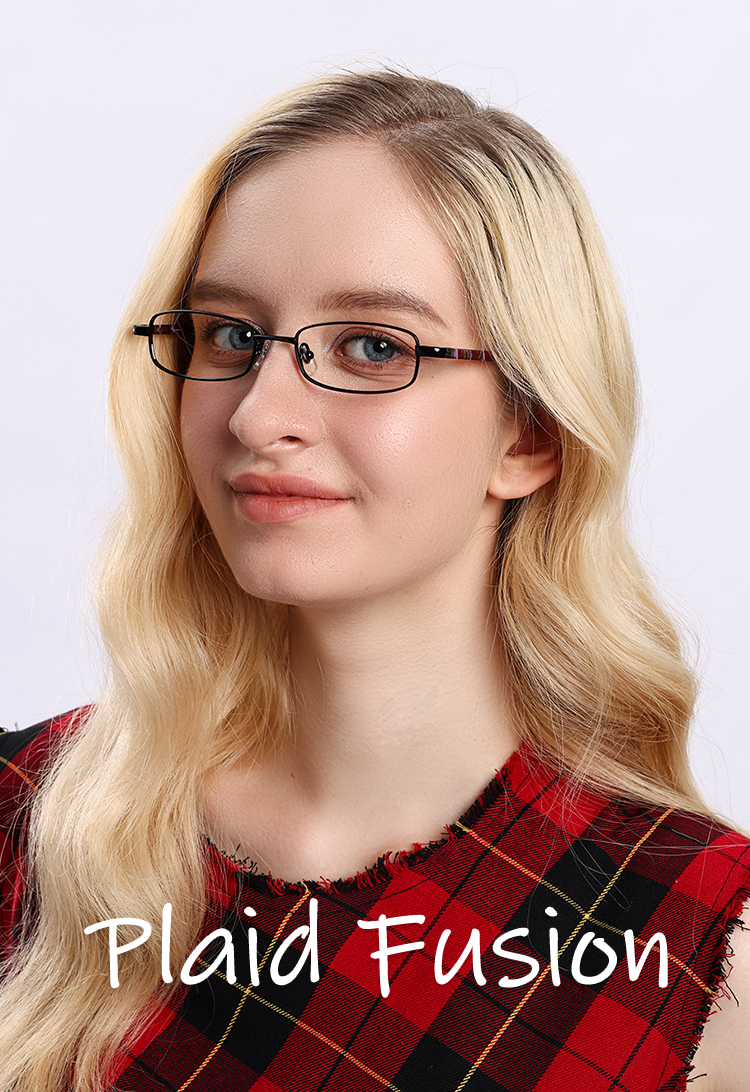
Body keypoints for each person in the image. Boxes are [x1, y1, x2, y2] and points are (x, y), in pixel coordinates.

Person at [0, 69, 748, 1092]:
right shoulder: (27, 820)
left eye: (369, 347)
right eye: (230, 335)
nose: (259, 414)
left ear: (530, 433)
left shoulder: (698, 948)